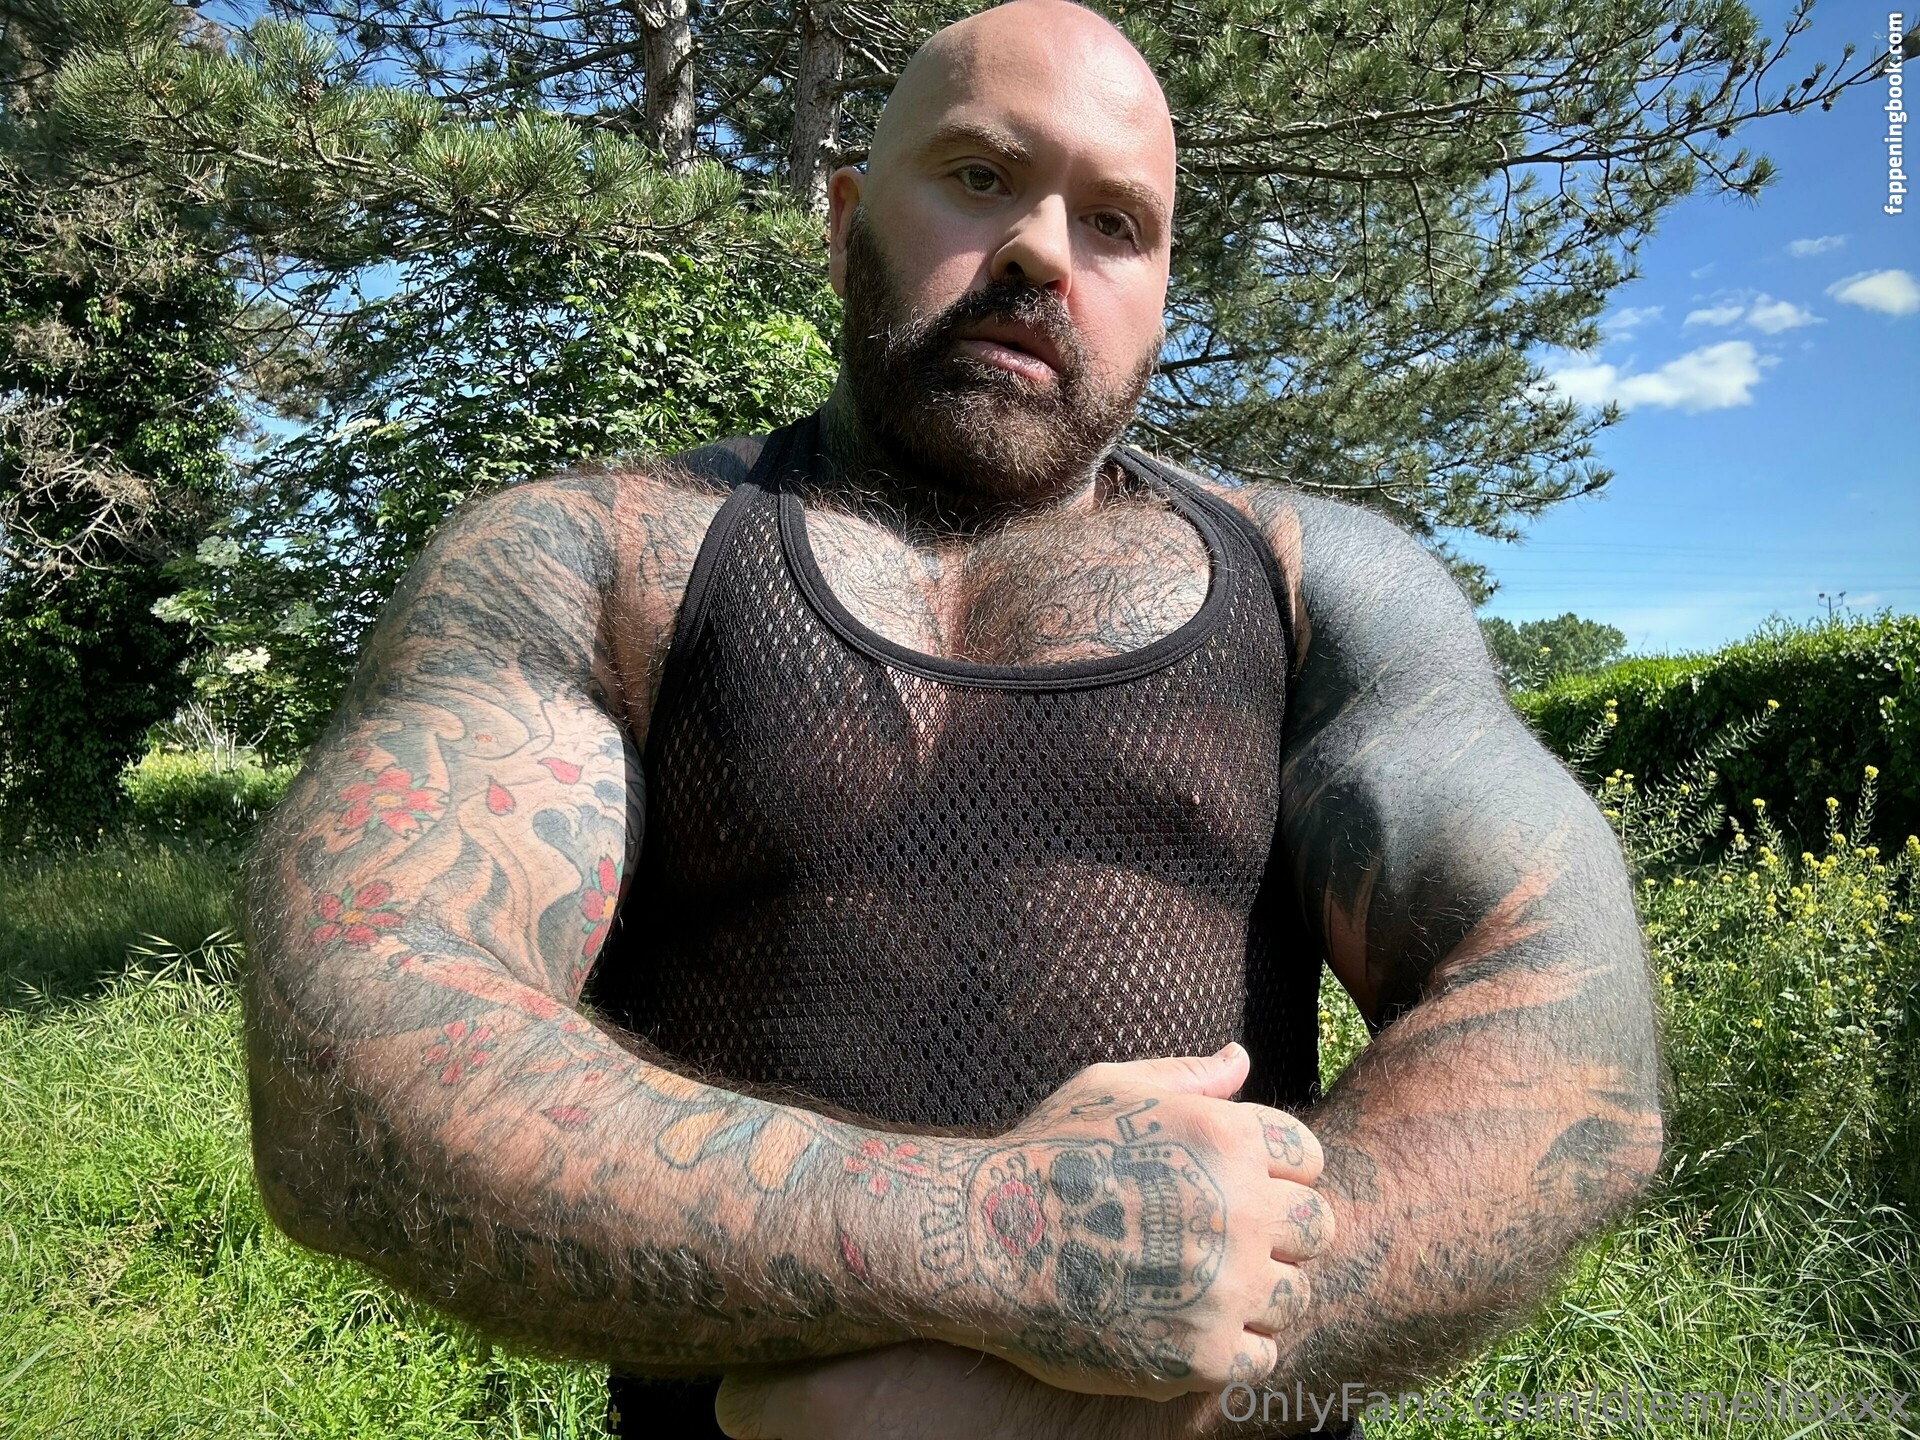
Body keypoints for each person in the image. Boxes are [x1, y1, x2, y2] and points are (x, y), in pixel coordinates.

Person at [240, 2, 1664, 1436]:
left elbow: (1568, 1029)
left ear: (1162, 293)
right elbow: (352, 1034)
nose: (1044, 250)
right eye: (982, 177)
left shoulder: (1321, 589)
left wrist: (1128, 1399)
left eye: (1117, 224)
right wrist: (997, 1246)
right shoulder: (600, 561)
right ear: (845, 219)